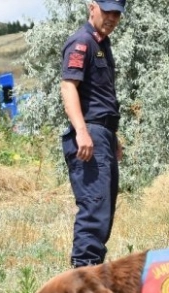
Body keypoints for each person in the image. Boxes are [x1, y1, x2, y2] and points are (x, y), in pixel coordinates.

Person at [60, 0, 125, 267]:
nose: (111, 17)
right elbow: (68, 87)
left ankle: (92, 276)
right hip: (90, 137)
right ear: (92, 6)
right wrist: (82, 131)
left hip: (103, 136)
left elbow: (100, 99)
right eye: (106, 10)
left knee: (103, 214)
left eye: (116, 13)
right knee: (94, 212)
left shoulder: (102, 44)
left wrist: (113, 137)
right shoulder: (82, 41)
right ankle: (81, 284)